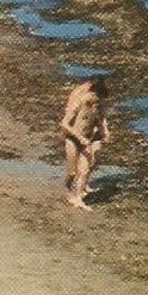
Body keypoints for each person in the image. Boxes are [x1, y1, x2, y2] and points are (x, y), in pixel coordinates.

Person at [61, 79, 110, 211]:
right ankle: (67, 190)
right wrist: (79, 137)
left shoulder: (98, 106)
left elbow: (100, 120)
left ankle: (78, 198)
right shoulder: (78, 102)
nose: (97, 103)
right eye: (97, 100)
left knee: (85, 169)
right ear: (92, 94)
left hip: (87, 140)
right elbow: (64, 124)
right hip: (72, 139)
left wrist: (104, 132)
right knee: (72, 173)